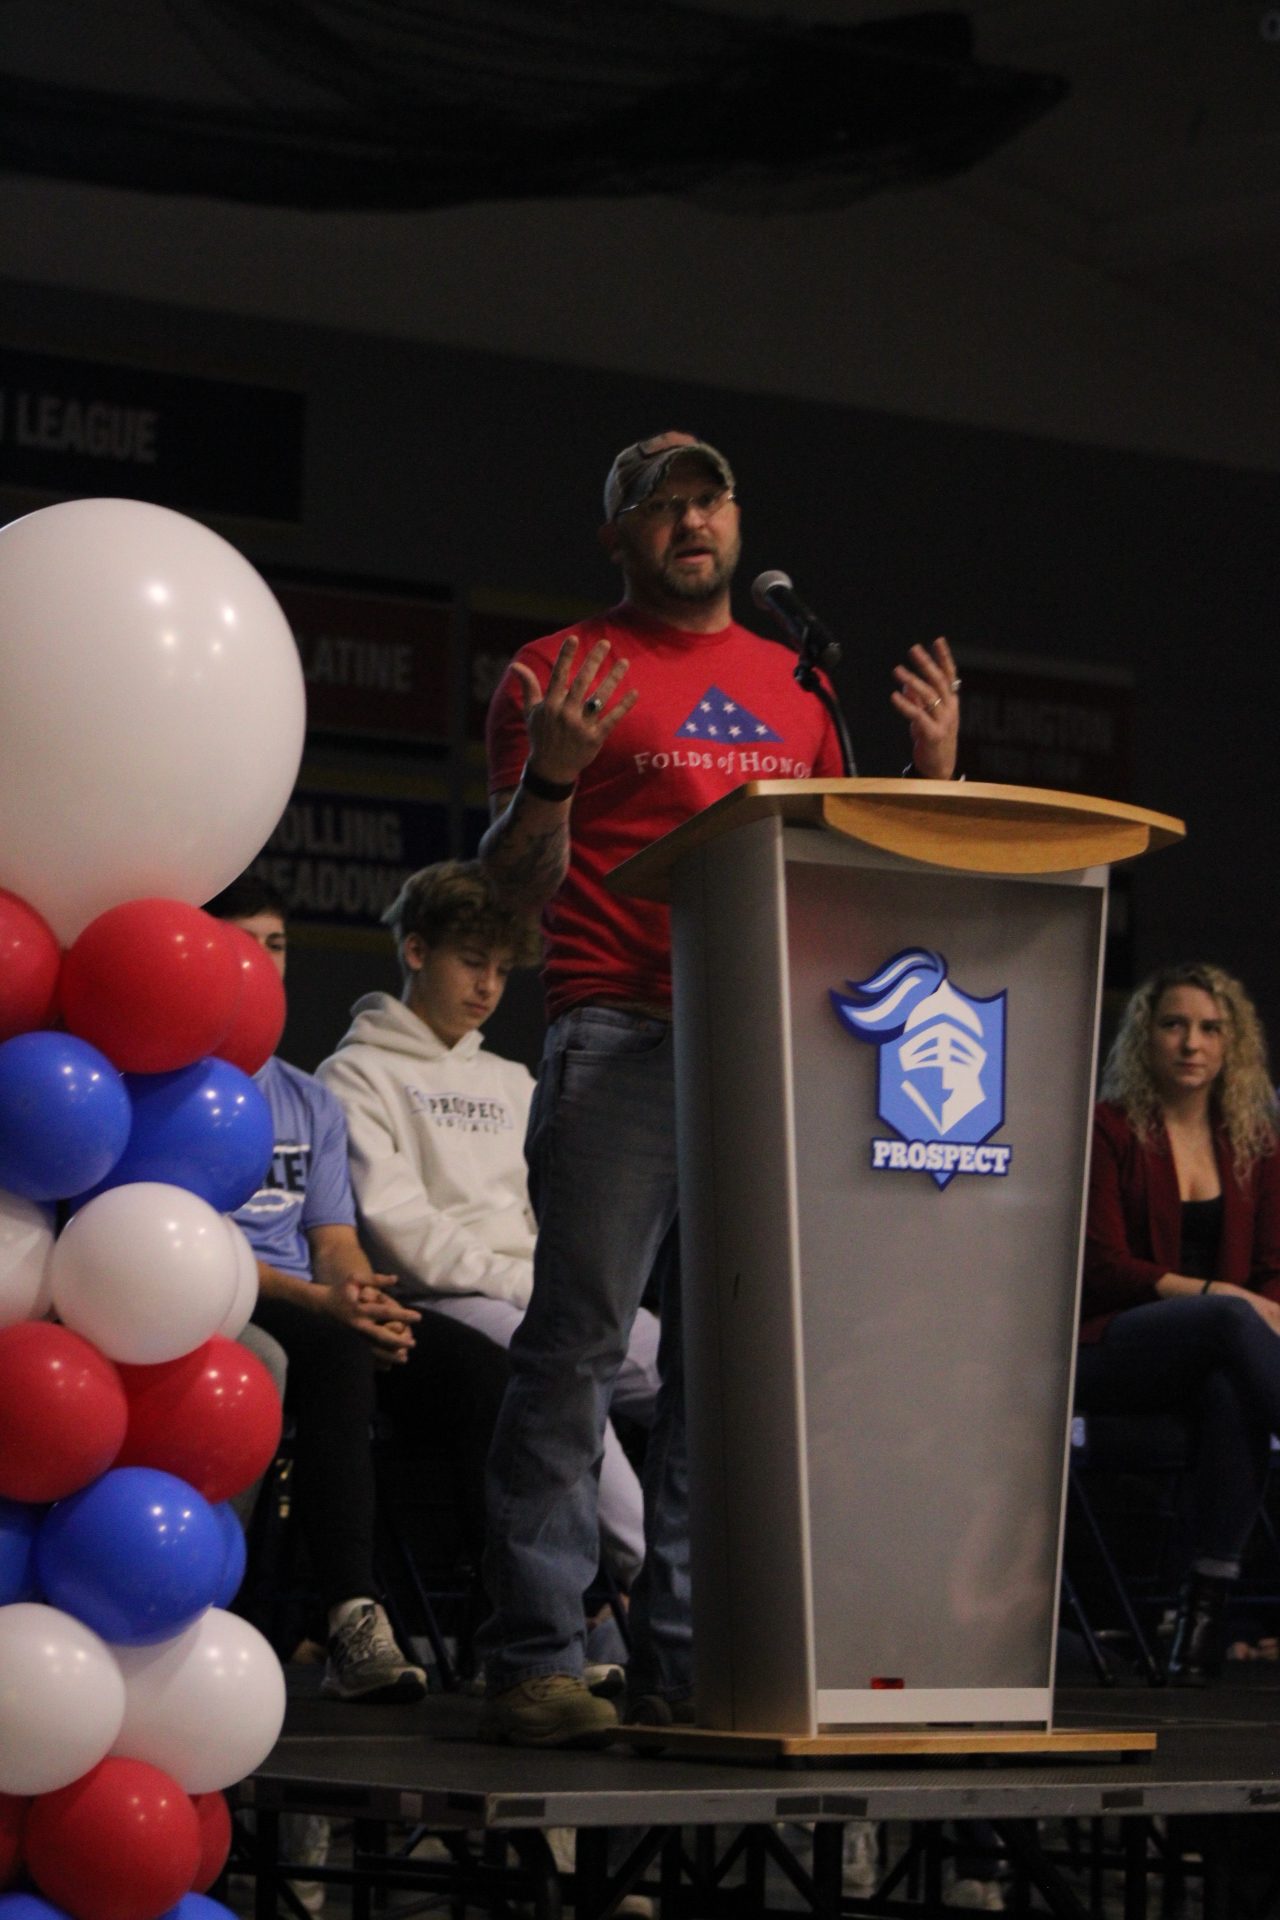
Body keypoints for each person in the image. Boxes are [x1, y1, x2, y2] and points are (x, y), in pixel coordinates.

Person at [474, 429, 961, 1744]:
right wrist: (558, 777)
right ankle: (535, 1654)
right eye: (661, 505)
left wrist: (926, 782)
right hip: (621, 1038)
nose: (692, 521)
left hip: (766, 1053)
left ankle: (685, 1662)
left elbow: (853, 880)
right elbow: (510, 894)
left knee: (719, 1375)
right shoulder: (559, 672)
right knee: (576, 1351)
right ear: (618, 538)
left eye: (711, 498)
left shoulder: (797, 681)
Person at [315, 859, 659, 1595]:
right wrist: (535, 1287)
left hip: (539, 1288)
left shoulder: (513, 1078)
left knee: (705, 1378)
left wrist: (554, 1286)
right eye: (472, 963)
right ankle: (656, 1582)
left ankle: (735, 1576)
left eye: (503, 971)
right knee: (568, 1380)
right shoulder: (353, 1075)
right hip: (444, 1303)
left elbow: (558, 1210)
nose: (488, 988)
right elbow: (399, 1228)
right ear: (415, 951)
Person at [208, 875, 508, 1701]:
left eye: (275, 945)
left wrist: (364, 1295)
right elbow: (192, 1254)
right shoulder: (171, 1091)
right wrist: (326, 1306)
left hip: (317, 1302)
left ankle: (506, 1629)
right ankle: (350, 1616)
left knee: (478, 1368)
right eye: (242, 944)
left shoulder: (306, 1098)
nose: (262, 962)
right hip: (225, 1297)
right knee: (338, 1351)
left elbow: (333, 1240)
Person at [1079, 961, 1280, 1681]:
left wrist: (1245, 1301)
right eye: (1173, 1025)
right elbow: (1101, 1264)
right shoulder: (1109, 1130)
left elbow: (1273, 1270)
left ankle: (1200, 1620)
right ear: (1146, 1037)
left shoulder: (1253, 1142)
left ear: (1232, 1045)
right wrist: (1215, 1291)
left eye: (1208, 1028)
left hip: (1211, 1354)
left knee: (1233, 1384)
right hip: (1112, 1342)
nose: (1190, 1043)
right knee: (1227, 1318)